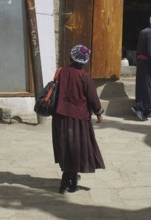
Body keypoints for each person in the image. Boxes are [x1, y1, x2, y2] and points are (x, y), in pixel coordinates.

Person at [52, 44, 105, 193]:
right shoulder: (84, 76)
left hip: (60, 117)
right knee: (75, 149)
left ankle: (72, 181)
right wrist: (99, 113)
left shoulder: (61, 72)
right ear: (85, 61)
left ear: (71, 57)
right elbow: (93, 98)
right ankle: (65, 183)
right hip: (79, 119)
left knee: (67, 149)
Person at [131, 14, 151, 121]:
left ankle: (146, 110)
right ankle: (139, 108)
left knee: (144, 86)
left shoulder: (145, 31)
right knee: (150, 87)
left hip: (143, 63)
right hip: (148, 64)